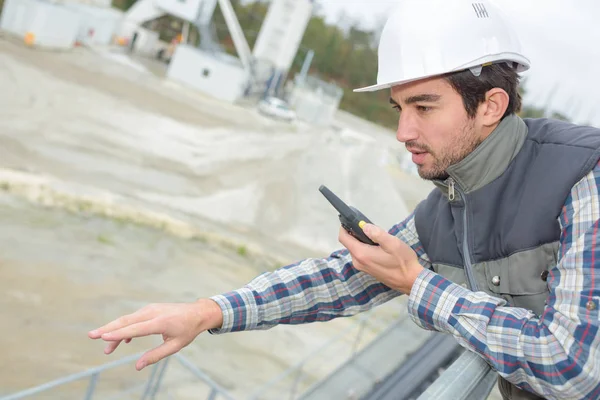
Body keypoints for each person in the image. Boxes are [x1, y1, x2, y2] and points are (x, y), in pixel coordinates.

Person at [89, 1, 600, 399]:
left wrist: (418, 284)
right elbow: (341, 279)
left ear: (491, 105)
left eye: (424, 107)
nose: (403, 131)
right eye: (399, 107)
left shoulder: (582, 178)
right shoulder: (446, 207)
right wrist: (209, 311)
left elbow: (573, 366)